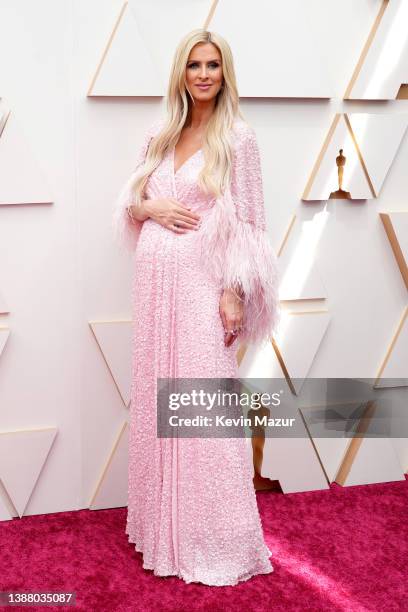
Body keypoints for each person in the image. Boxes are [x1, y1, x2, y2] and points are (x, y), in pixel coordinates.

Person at [112, 28, 281, 586]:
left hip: (203, 287)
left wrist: (234, 291)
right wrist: (151, 205)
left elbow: (251, 223)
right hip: (156, 289)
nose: (204, 74)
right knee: (162, 401)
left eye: (213, 65)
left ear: (225, 72)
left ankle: (217, 538)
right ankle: (165, 530)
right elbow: (130, 203)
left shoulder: (240, 138)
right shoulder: (162, 132)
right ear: (181, 73)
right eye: (194, 65)